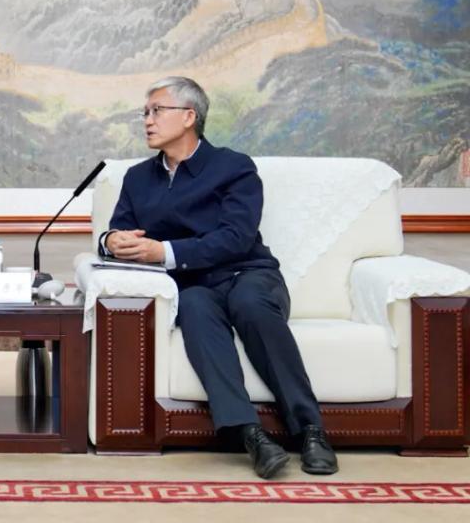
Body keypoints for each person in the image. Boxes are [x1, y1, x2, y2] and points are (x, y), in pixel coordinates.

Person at [100, 76, 337, 478]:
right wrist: (111, 241)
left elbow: (236, 237)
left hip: (248, 273)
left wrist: (164, 252)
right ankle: (251, 435)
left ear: (189, 116)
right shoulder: (137, 178)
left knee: (250, 304)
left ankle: (311, 430)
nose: (147, 120)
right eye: (145, 113)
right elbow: (118, 231)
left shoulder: (234, 167)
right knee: (193, 306)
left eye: (157, 111)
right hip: (192, 286)